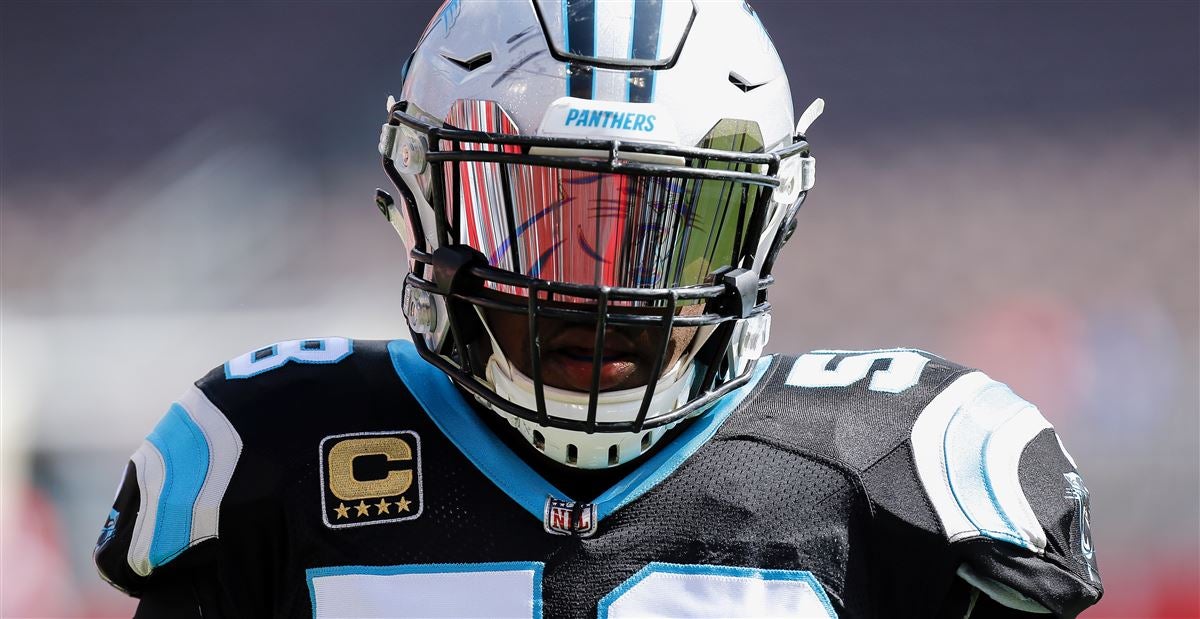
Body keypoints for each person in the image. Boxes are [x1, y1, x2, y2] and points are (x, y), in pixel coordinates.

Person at [94, 1, 1102, 617]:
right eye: (535, 214)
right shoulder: (269, 453)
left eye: (667, 219)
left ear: (767, 218)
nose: (599, 289)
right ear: (420, 201)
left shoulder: (896, 465)